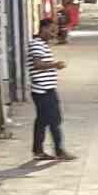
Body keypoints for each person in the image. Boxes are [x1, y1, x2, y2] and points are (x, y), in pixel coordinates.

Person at [30, 18, 74, 161]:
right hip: (42, 90)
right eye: (51, 30)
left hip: (45, 89)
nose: (53, 34)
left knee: (42, 121)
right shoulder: (36, 45)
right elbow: (37, 64)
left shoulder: (41, 44)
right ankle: (59, 151)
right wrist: (55, 65)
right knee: (54, 120)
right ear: (43, 29)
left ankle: (38, 150)